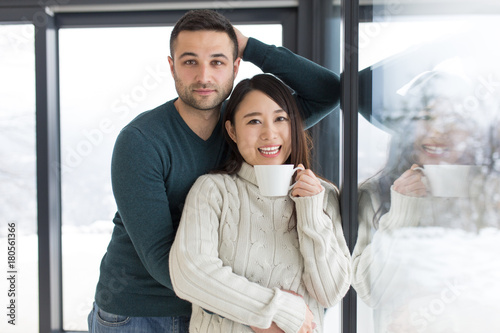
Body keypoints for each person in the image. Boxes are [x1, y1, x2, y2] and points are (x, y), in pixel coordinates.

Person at [88, 9, 341, 333]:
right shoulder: (141, 141)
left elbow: (328, 92)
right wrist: (259, 309)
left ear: (236, 67)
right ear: (172, 66)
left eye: (218, 61)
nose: (204, 76)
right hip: (142, 312)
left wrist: (250, 47)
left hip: (218, 312)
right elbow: (162, 258)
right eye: (190, 61)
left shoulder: (246, 127)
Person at [169, 74, 351, 333]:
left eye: (281, 119)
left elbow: (330, 293)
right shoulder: (213, 190)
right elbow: (189, 274)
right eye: (254, 121)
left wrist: (310, 211)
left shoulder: (324, 194)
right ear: (232, 130)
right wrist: (282, 310)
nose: (269, 133)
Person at [351, 70, 500, 332]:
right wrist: (401, 211)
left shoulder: (491, 194)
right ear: (406, 128)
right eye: (425, 118)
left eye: (454, 120)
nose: (437, 132)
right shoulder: (374, 194)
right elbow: (371, 291)